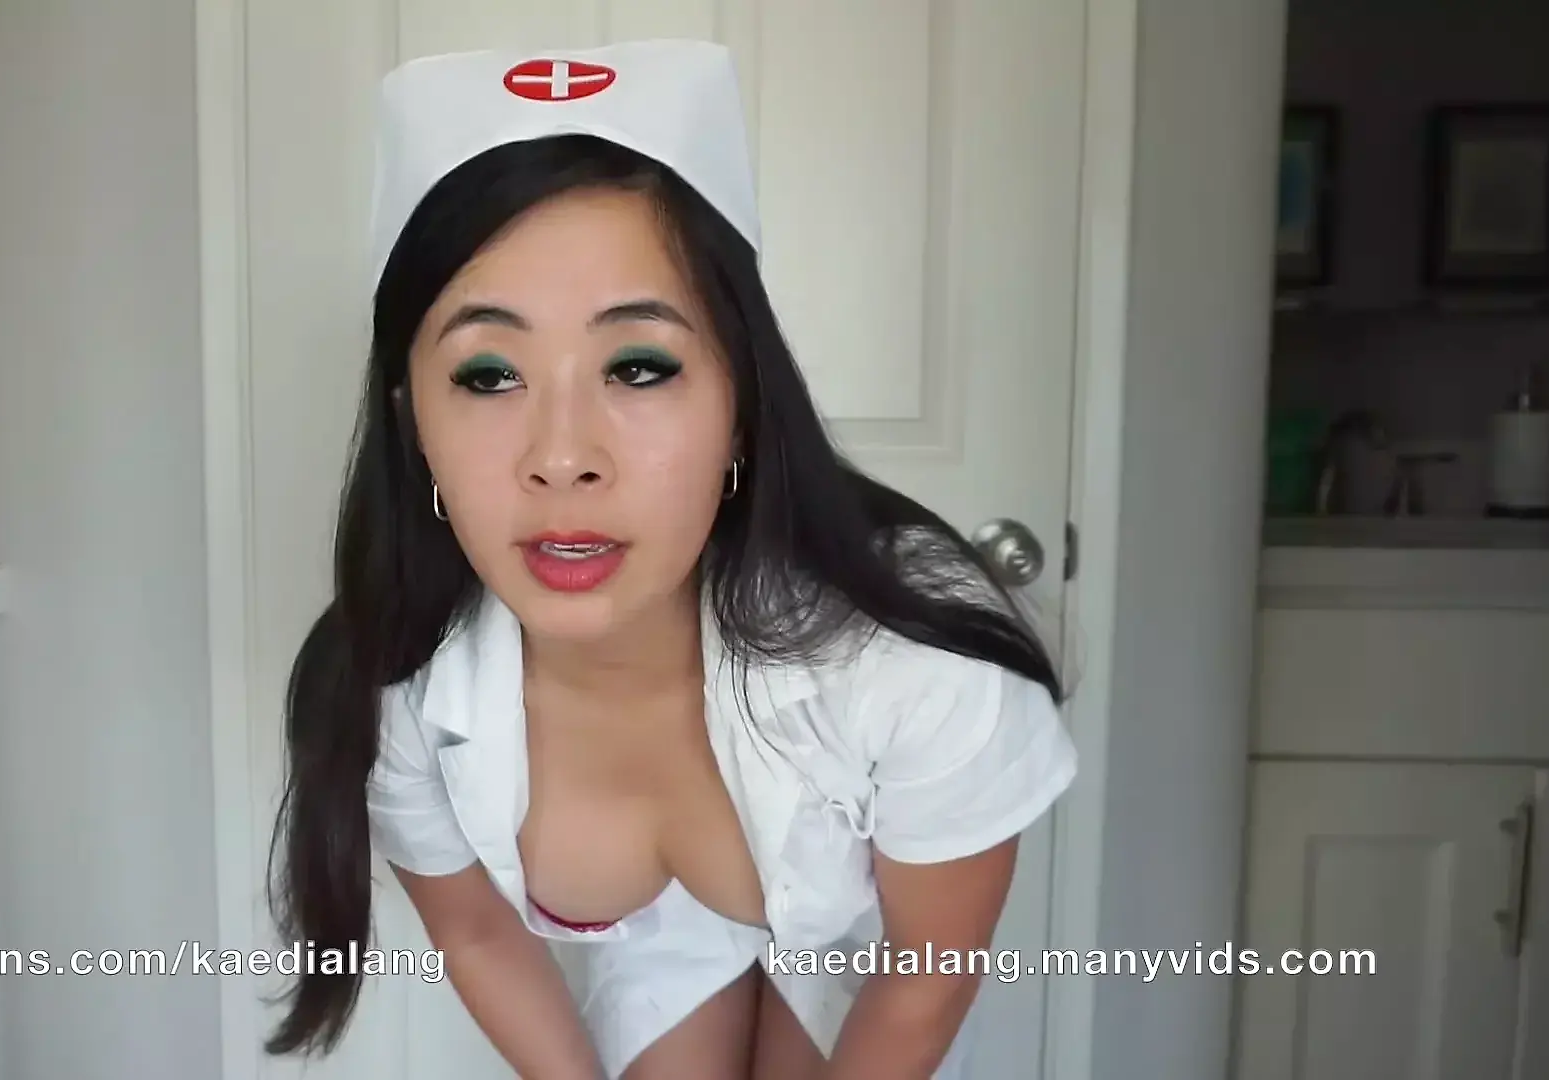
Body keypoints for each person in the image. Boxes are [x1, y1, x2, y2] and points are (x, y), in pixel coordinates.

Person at [265, 38, 1079, 1080]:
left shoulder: (916, 665)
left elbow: (924, 976)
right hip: (661, 944)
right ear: (409, 421)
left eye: (639, 366)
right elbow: (476, 933)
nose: (564, 457)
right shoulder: (391, 685)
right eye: (489, 375)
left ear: (741, 400)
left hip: (864, 943)